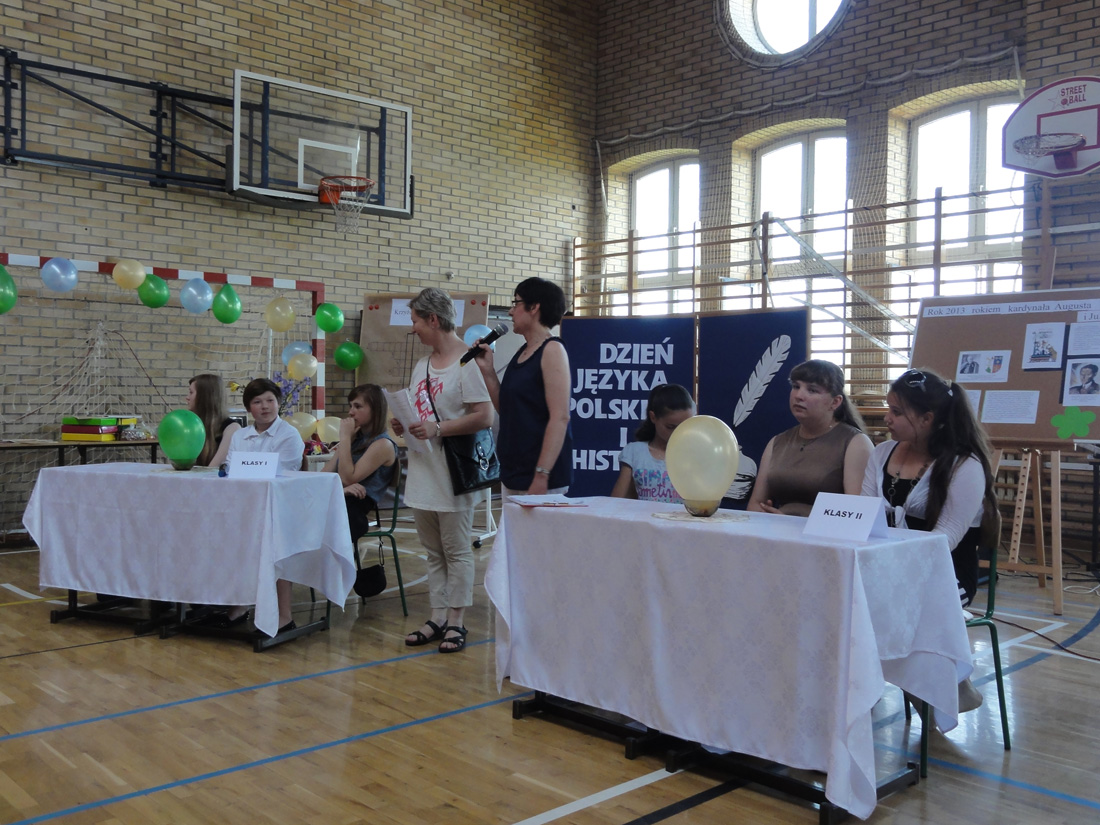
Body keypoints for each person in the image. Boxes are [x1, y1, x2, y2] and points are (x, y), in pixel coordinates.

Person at [860, 367, 997, 712]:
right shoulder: (881, 453)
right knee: (847, 595)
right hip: (887, 568)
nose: (887, 418)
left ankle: (935, 689)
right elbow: (863, 516)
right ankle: (881, 688)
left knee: (892, 602)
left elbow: (945, 539)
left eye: (896, 412)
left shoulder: (965, 465)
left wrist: (895, 571)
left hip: (946, 576)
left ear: (927, 419)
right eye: (888, 408)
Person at [390, 287, 494, 653]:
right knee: (432, 550)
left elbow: (485, 416)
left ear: (433, 320)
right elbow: (421, 412)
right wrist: (405, 423)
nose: (413, 328)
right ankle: (436, 615)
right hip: (423, 468)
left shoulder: (467, 362)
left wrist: (438, 428)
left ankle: (456, 620)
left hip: (453, 472)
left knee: (456, 549)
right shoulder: (422, 364)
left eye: (416, 321)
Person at [198, 377, 305, 633]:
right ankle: (238, 605)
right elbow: (232, 470)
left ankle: (284, 616)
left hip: (280, 509)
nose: (265, 406)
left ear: (278, 403)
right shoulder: (240, 435)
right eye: (257, 402)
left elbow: (282, 476)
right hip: (243, 507)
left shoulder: (288, 435)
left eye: (270, 400)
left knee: (273, 543)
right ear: (248, 408)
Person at [471, 276, 572, 498]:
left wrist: (542, 475)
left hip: (541, 477)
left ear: (534, 307)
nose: (510, 311)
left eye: (515, 303)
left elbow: (560, 417)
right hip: (515, 471)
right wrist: (488, 371)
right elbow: (506, 409)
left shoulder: (552, 350)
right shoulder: (523, 352)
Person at [748, 359, 873, 517]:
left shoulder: (855, 443)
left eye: (812, 390)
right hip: (777, 530)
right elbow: (755, 504)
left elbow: (857, 515)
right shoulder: (777, 442)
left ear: (835, 402)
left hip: (827, 532)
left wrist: (792, 523)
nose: (799, 395)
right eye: (796, 386)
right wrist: (768, 519)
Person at [323, 384, 398, 545]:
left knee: (328, 520)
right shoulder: (355, 438)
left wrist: (344, 439)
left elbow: (347, 478)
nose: (351, 412)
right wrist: (345, 442)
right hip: (341, 497)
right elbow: (324, 475)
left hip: (357, 505)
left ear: (375, 410)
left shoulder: (383, 444)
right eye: (350, 406)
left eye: (357, 406)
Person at [610, 383, 694, 502]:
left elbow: (707, 501)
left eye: (684, 426)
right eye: (671, 427)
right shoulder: (634, 453)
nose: (677, 433)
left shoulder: (695, 455)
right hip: (643, 514)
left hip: (682, 515)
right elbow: (615, 502)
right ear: (653, 417)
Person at [186, 373, 241, 468]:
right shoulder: (192, 425)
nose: (187, 397)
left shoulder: (232, 428)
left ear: (204, 396)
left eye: (191, 392)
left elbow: (213, 469)